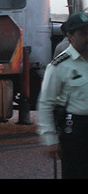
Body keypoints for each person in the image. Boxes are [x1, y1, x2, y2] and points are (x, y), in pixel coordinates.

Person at [37, 12, 88, 179]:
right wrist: (49, 138)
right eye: (83, 33)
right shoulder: (59, 65)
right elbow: (46, 103)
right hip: (76, 130)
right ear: (70, 36)